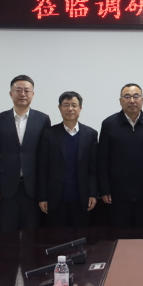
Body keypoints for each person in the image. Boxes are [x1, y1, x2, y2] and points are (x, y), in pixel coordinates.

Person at [0, 75, 51, 234]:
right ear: (11, 93)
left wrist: (44, 190)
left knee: (32, 234)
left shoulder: (43, 119)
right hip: (6, 188)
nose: (23, 94)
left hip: (33, 188)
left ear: (32, 94)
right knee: (7, 233)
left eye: (27, 90)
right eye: (18, 90)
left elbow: (45, 157)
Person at [98, 83, 143, 227]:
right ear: (120, 100)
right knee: (119, 234)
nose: (132, 101)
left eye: (136, 96)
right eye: (127, 97)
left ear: (142, 100)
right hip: (117, 194)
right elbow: (102, 160)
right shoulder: (109, 124)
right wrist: (104, 189)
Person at [38, 91, 98, 227]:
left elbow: (93, 169)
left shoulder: (91, 134)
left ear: (80, 108)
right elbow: (42, 168)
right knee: (56, 237)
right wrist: (43, 197)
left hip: (81, 198)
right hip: (55, 198)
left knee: (80, 237)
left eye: (74, 105)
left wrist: (93, 194)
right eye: (66, 105)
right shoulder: (49, 134)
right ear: (59, 108)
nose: (70, 109)